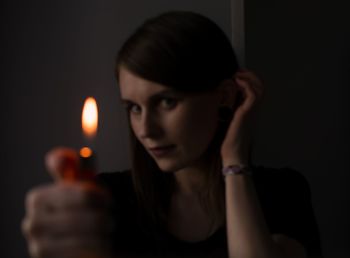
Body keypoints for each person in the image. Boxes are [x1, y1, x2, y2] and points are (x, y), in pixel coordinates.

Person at [22, 11, 323, 258]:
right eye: (133, 108)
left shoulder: (282, 192)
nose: (146, 130)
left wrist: (234, 158)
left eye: (167, 101)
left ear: (225, 96)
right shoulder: (106, 201)